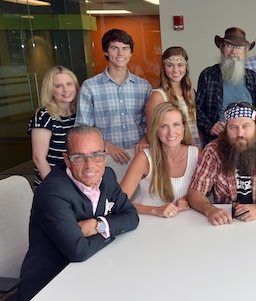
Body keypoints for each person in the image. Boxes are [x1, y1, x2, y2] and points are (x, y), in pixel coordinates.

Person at [18, 126, 139, 301]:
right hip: (51, 285)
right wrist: (112, 229)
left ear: (105, 155)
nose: (90, 165)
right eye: (79, 157)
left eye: (97, 155)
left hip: (92, 273)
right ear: (67, 159)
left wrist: (99, 225)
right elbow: (78, 251)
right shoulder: (52, 192)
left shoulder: (107, 177)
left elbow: (131, 216)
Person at [187, 101, 256, 225]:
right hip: (227, 222)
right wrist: (210, 210)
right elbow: (195, 193)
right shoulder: (212, 151)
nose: (240, 134)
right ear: (225, 129)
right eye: (233, 127)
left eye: (246, 126)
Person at [75, 29, 152, 180]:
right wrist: (106, 145)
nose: (120, 53)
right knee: (109, 201)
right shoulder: (90, 87)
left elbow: (152, 122)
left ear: (131, 53)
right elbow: (82, 129)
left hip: (139, 156)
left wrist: (145, 139)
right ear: (105, 52)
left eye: (125, 48)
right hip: (105, 158)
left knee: (139, 200)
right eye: (114, 48)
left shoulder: (144, 87)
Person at [121, 102, 199, 217]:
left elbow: (203, 192)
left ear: (184, 127)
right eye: (163, 126)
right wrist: (155, 210)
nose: (171, 132)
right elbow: (119, 202)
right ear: (156, 130)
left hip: (184, 225)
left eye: (176, 124)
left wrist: (188, 198)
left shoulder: (196, 155)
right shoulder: (144, 158)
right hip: (147, 223)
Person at [196, 27, 256, 145]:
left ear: (245, 52)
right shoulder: (208, 75)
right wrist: (210, 127)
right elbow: (197, 110)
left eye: (239, 47)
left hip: (249, 144)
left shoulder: (253, 78)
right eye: (229, 46)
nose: (234, 51)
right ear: (221, 49)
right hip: (218, 141)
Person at [28, 65, 79, 188]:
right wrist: (55, 186)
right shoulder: (44, 116)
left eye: (69, 84)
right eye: (58, 86)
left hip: (77, 183)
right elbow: (38, 158)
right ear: (50, 90)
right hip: (53, 183)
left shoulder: (80, 113)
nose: (66, 90)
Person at [144, 46, 202, 149]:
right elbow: (151, 133)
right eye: (170, 65)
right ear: (164, 67)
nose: (175, 70)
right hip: (173, 151)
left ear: (186, 67)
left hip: (196, 149)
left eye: (180, 65)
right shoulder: (158, 96)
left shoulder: (191, 92)